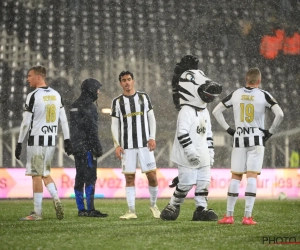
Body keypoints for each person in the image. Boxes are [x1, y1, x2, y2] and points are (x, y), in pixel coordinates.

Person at [212, 67, 284, 225]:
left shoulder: (236, 93)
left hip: (239, 138)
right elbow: (280, 114)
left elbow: (216, 111)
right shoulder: (264, 95)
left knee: (236, 176)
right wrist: (270, 132)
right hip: (256, 138)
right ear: (259, 80)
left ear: (246, 79)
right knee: (252, 176)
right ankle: (247, 217)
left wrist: (229, 129)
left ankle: (229, 216)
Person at [160, 65, 222, 221]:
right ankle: (173, 205)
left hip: (203, 153)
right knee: (186, 183)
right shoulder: (185, 111)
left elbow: (208, 133)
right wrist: (190, 152)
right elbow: (182, 133)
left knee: (204, 182)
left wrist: (210, 151)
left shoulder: (205, 110)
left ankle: (201, 209)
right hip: (187, 154)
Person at [15, 65, 73, 221]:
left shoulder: (33, 96)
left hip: (36, 141)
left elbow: (25, 123)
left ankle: (37, 213)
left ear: (38, 77)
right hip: (51, 140)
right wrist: (67, 140)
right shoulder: (56, 94)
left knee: (36, 175)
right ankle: (56, 199)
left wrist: (19, 142)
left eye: (30, 75)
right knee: (45, 174)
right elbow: (64, 120)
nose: (27, 79)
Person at [110, 70, 160, 220]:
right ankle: (131, 210)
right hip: (128, 146)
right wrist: (117, 145)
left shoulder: (143, 98)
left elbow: (152, 119)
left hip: (145, 145)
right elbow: (114, 125)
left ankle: (154, 205)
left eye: (129, 79)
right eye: (124, 80)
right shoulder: (117, 102)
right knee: (129, 178)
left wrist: (152, 137)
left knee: (152, 175)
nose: (127, 82)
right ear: (120, 83)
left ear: (133, 81)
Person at [69, 78, 108, 218]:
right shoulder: (89, 106)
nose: (98, 92)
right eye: (97, 89)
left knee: (79, 177)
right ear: (91, 89)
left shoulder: (74, 105)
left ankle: (81, 209)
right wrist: (97, 147)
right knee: (90, 177)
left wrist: (71, 144)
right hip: (88, 148)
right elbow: (92, 130)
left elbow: (71, 129)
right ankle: (90, 209)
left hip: (77, 148)